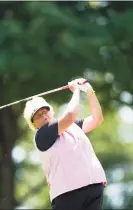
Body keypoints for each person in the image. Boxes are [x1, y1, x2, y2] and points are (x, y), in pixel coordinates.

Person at [23, 78, 107, 210]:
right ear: (33, 124)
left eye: (45, 111)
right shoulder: (41, 136)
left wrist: (90, 92)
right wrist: (77, 91)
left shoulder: (73, 127)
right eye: (38, 115)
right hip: (67, 194)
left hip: (94, 186)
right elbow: (70, 114)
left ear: (51, 112)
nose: (44, 116)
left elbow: (97, 119)